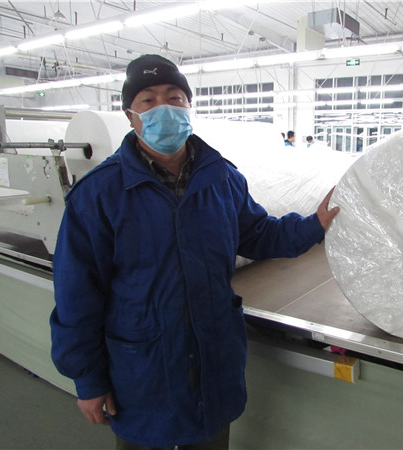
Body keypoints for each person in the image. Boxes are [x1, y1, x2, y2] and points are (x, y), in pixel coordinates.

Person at [49, 54, 339, 450]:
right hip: (143, 367)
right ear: (130, 116)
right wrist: (88, 379)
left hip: (213, 360)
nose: (164, 108)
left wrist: (313, 225)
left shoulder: (222, 179)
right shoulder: (100, 194)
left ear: (189, 106)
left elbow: (258, 234)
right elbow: (77, 293)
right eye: (148, 100)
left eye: (175, 97)